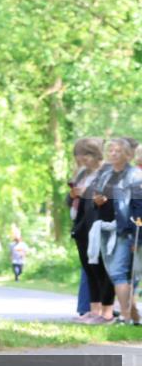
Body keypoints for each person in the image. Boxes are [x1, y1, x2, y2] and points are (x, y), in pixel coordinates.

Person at [92, 138, 142, 325]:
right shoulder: (106, 174)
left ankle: (126, 317)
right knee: (121, 274)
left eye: (118, 151)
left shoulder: (135, 175)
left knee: (120, 274)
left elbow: (139, 207)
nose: (113, 153)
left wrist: (137, 236)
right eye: (111, 150)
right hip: (107, 231)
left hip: (125, 230)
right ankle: (135, 316)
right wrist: (98, 202)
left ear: (128, 154)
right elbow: (100, 198)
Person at [67, 138, 116, 324]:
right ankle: (93, 310)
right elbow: (71, 201)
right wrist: (72, 195)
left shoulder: (108, 172)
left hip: (100, 225)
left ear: (94, 155)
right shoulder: (81, 174)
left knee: (103, 269)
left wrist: (89, 194)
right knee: (90, 270)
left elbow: (110, 198)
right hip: (82, 227)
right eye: (79, 157)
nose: (82, 161)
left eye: (84, 156)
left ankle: (107, 313)